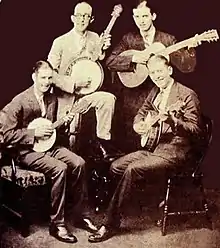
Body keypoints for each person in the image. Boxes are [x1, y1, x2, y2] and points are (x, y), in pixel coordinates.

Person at [88, 54, 202, 242]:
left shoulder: (186, 94)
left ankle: (110, 224)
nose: (157, 76)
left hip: (176, 152)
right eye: (153, 72)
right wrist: (139, 124)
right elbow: (141, 112)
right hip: (154, 148)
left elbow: (196, 131)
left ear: (169, 70)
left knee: (133, 169)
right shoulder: (156, 91)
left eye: (160, 71)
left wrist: (173, 120)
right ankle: (134, 205)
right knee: (116, 166)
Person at [0, 61, 98, 244]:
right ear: (34, 77)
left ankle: (79, 215)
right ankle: (57, 224)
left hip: (48, 147)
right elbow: (6, 135)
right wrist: (32, 133)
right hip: (25, 151)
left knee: (79, 163)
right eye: (43, 77)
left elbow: (50, 131)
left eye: (50, 78)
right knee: (59, 168)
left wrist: (65, 121)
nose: (46, 82)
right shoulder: (20, 101)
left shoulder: (52, 99)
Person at [48, 1, 119, 159]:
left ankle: (103, 140)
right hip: (65, 97)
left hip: (87, 95)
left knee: (108, 99)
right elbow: (49, 73)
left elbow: (95, 61)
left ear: (91, 19)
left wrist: (103, 50)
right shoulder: (60, 42)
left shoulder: (94, 37)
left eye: (86, 16)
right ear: (73, 18)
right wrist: (73, 84)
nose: (82, 19)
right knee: (71, 132)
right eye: (79, 15)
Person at [106, 0, 198, 78]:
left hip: (159, 88)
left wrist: (190, 50)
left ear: (153, 16)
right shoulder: (128, 39)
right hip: (135, 91)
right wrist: (133, 58)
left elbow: (186, 67)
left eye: (145, 16)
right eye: (137, 17)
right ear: (133, 18)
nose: (141, 21)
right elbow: (110, 62)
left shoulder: (168, 40)